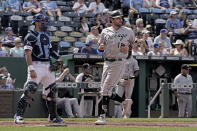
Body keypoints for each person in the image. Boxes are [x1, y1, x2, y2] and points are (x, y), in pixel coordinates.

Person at [14, 13, 65, 125]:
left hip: (48, 66)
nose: (45, 23)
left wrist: (58, 57)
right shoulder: (30, 36)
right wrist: (31, 68)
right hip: (36, 65)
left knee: (53, 91)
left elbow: (51, 51)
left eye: (46, 21)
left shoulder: (46, 35)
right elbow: (27, 54)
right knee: (30, 89)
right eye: (43, 21)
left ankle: (53, 117)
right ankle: (18, 115)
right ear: (36, 22)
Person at [95, 10, 134, 125]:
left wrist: (129, 49)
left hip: (119, 61)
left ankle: (102, 116)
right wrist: (100, 48)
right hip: (107, 61)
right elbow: (100, 47)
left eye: (121, 18)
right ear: (111, 20)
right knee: (104, 90)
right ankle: (124, 102)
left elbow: (132, 44)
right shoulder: (105, 31)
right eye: (117, 18)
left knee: (106, 88)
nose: (120, 20)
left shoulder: (128, 31)